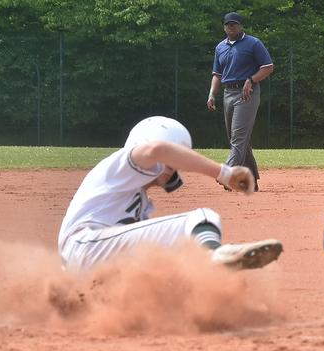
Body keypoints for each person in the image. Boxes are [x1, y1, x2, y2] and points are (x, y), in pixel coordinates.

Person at [58, 116, 283, 272]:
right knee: (203, 217)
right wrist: (224, 173)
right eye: (170, 160)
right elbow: (158, 150)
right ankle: (214, 256)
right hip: (86, 245)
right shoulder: (119, 164)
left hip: (89, 263)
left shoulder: (137, 198)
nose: (171, 167)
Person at [207, 11, 274, 192]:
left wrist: (251, 80)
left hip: (247, 94)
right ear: (224, 27)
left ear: (241, 26)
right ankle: (251, 180)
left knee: (238, 138)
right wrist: (212, 94)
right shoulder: (220, 47)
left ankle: (227, 174)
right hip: (228, 93)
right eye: (228, 24)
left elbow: (268, 67)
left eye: (235, 24)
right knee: (238, 140)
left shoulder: (253, 43)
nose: (231, 27)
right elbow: (217, 74)